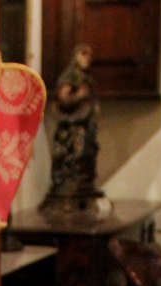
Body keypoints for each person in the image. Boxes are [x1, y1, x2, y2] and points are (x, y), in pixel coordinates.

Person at [45, 44, 101, 208]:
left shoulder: (86, 77)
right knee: (73, 158)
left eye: (90, 55)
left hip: (86, 124)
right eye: (84, 54)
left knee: (87, 156)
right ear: (75, 55)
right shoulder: (70, 75)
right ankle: (67, 185)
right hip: (73, 127)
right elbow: (63, 98)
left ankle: (82, 184)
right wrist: (79, 95)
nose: (87, 59)